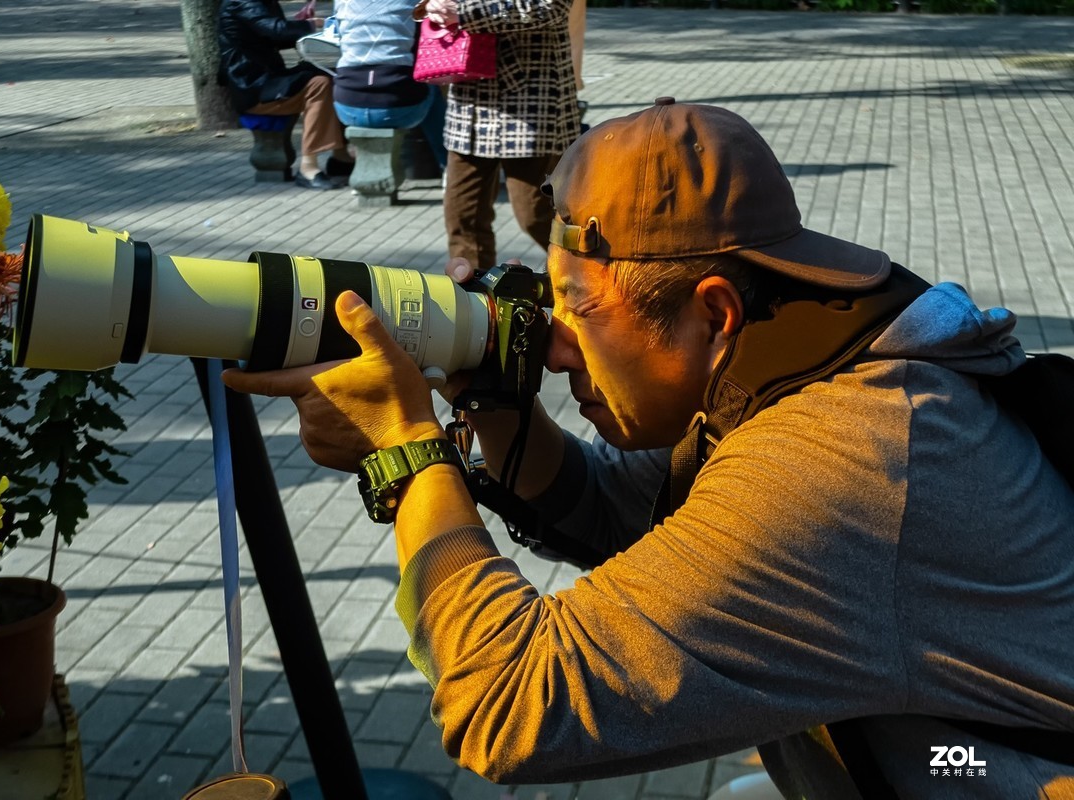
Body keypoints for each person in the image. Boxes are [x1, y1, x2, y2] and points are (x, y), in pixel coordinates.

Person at [222, 99, 1074, 799]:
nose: (558, 347)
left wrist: (407, 452)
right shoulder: (790, 362)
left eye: (580, 307)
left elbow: (508, 704)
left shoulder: (847, 455)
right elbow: (612, 510)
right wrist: (491, 397)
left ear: (713, 313)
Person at [422, 0, 581, 270]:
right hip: (469, 98)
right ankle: (473, 293)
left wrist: (465, 12)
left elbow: (550, 7)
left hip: (531, 98)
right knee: (462, 216)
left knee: (536, 214)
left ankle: (596, 275)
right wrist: (432, 5)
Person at [218, 0, 356, 189]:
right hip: (252, 87)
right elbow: (275, 29)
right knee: (319, 84)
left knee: (333, 76)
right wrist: (311, 24)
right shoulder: (242, 1)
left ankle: (340, 157)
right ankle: (308, 167)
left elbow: (276, 38)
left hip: (268, 80)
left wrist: (301, 27)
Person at [331, 0, 448, 172]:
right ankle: (448, 163)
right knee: (433, 86)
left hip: (348, 109)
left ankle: (343, 159)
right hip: (400, 108)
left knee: (339, 79)